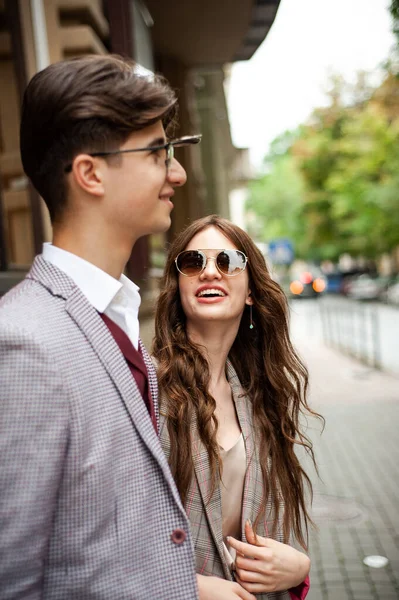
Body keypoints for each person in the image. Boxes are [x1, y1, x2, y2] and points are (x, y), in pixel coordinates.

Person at [0, 54, 202, 599]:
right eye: (159, 152)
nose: (176, 172)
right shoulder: (24, 344)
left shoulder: (112, 311)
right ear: (90, 173)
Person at [153, 215, 323, 599]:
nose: (210, 272)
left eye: (227, 261)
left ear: (250, 291)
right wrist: (190, 589)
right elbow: (108, 541)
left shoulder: (260, 400)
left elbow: (264, 535)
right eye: (194, 262)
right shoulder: (148, 392)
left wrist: (299, 570)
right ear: (179, 286)